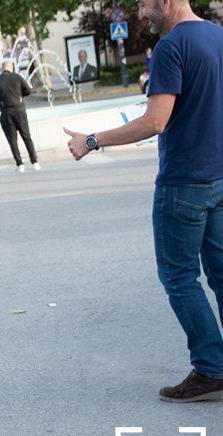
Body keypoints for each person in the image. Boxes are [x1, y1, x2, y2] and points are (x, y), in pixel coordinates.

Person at [65, 0, 223, 403]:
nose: (139, 14)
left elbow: (155, 121)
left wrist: (91, 140)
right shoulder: (218, 36)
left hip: (184, 182)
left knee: (179, 276)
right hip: (219, 175)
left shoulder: (172, 47)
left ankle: (211, 368)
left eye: (143, 4)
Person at [0, 60, 40, 173]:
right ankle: (34, 161)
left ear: (1, 69)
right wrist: (19, 95)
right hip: (19, 110)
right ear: (11, 68)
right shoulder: (17, 77)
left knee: (12, 140)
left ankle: (20, 163)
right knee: (26, 136)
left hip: (6, 112)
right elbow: (28, 90)